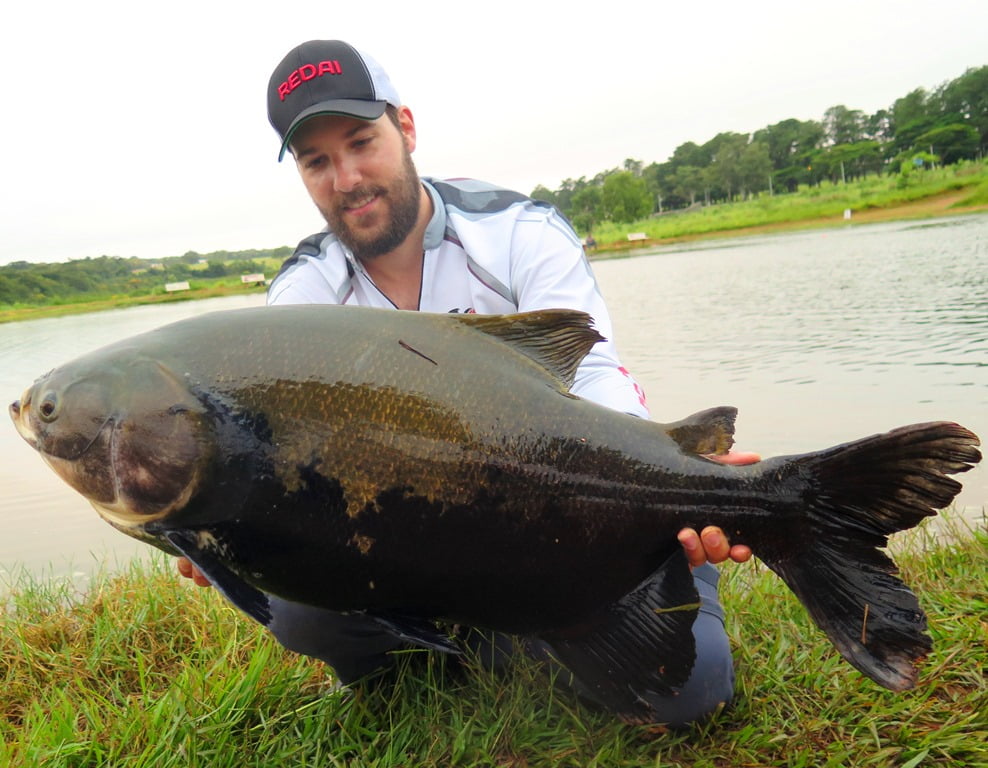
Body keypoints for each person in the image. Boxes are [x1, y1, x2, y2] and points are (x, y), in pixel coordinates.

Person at [178, 39, 756, 726]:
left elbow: (596, 372)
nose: (347, 178)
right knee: (297, 602)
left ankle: (499, 638)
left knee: (688, 696)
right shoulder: (303, 295)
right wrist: (225, 526)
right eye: (317, 161)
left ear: (405, 128)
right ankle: (432, 652)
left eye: (361, 142)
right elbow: (272, 441)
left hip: (573, 524)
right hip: (411, 546)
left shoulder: (520, 232)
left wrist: (673, 478)